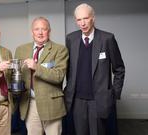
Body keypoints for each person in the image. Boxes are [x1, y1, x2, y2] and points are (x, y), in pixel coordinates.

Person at [64, 3, 125, 135]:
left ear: (93, 18)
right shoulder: (71, 39)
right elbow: (69, 69)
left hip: (99, 101)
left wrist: (113, 94)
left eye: (85, 18)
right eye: (79, 20)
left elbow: (119, 69)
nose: (82, 23)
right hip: (77, 101)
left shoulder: (107, 39)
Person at [14, 17, 68, 135]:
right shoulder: (21, 50)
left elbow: (58, 76)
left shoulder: (60, 50)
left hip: (51, 104)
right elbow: (16, 75)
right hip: (30, 103)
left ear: (49, 31)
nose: (40, 32)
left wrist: (36, 67)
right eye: (36, 29)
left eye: (44, 29)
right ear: (32, 31)